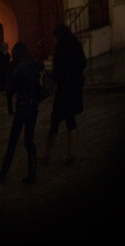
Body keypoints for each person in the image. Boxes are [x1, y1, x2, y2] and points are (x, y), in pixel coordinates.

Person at [0, 41, 41, 183]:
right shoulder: (36, 63)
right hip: (34, 106)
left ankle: (4, 172)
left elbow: (10, 90)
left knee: (13, 140)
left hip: (22, 106)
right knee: (29, 140)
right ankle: (32, 172)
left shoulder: (19, 68)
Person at [42, 24, 87, 165]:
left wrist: (53, 77)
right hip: (74, 87)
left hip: (64, 89)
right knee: (70, 119)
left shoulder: (62, 48)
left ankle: (48, 154)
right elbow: (83, 62)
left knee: (55, 120)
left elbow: (58, 71)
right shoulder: (75, 44)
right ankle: (71, 153)